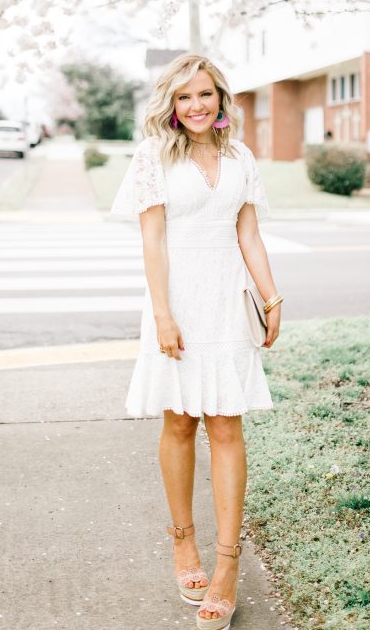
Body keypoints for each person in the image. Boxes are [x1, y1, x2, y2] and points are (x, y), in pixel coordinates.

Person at [111, 53, 282, 630]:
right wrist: (162, 314)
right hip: (176, 300)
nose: (195, 106)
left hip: (228, 300)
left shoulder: (240, 156)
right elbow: (152, 242)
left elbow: (249, 232)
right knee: (181, 421)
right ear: (171, 105)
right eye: (183, 97)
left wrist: (271, 296)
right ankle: (184, 542)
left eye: (204, 94)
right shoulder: (152, 157)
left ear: (220, 98)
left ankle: (228, 564)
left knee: (227, 423)